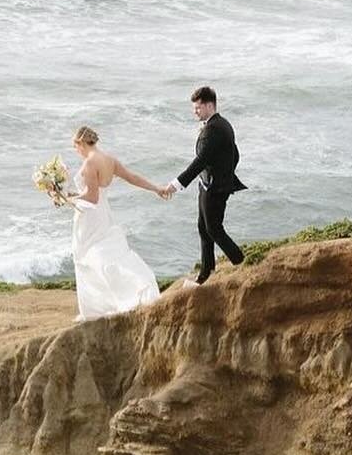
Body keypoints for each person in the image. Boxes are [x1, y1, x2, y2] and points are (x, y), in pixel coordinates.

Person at [61, 125, 169, 322]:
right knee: (108, 255)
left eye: (75, 147)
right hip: (105, 215)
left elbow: (91, 197)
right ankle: (115, 296)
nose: (76, 151)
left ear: (81, 143)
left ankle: (99, 307)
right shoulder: (108, 160)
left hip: (90, 218)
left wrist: (67, 198)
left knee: (87, 257)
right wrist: (156, 188)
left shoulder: (89, 165)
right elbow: (132, 177)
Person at [162, 86, 246, 284]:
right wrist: (222, 172)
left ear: (210, 105)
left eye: (198, 108)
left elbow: (200, 161)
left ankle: (241, 262)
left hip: (215, 188)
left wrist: (175, 184)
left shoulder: (214, 129)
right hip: (209, 184)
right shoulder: (220, 123)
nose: (195, 111)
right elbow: (235, 155)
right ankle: (206, 272)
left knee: (214, 229)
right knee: (203, 227)